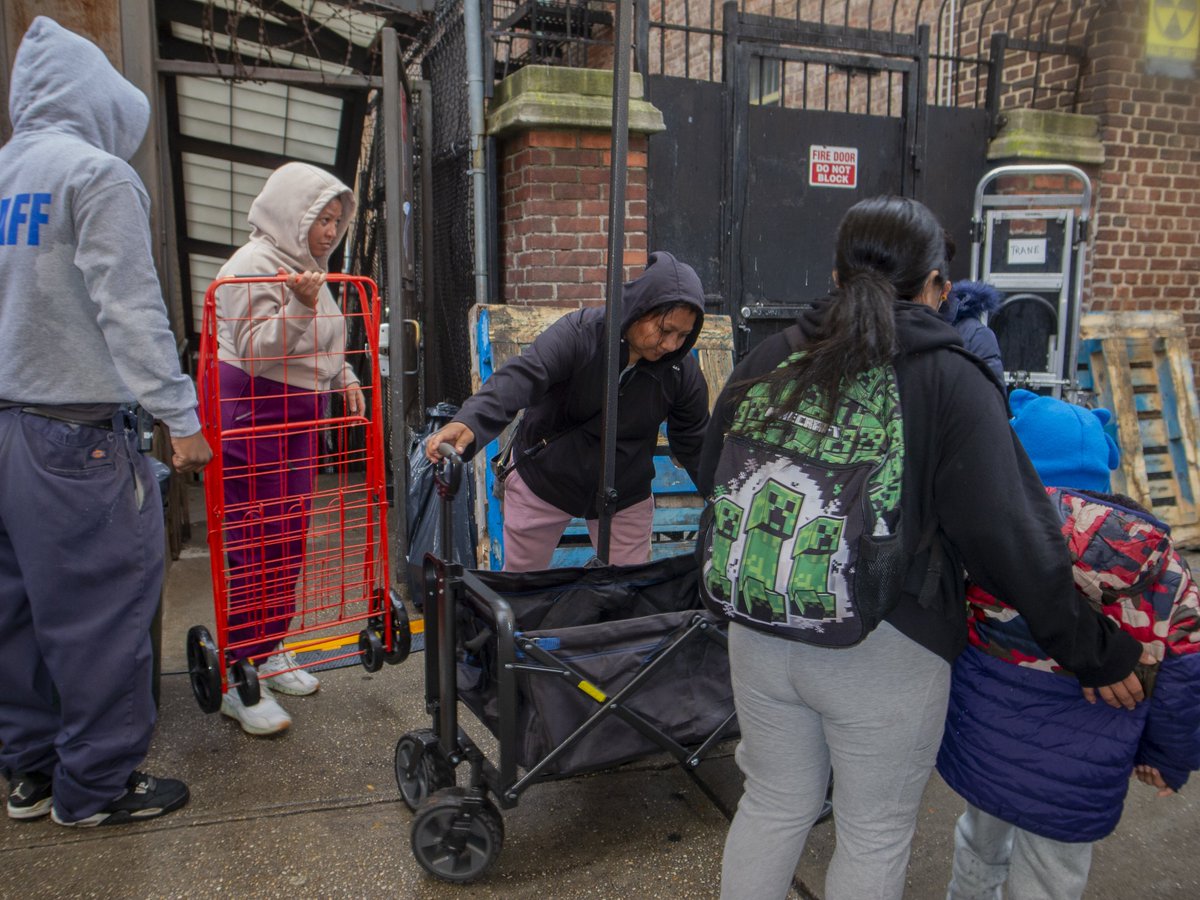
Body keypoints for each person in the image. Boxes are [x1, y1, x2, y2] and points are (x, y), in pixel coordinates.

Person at [696, 196, 1144, 900]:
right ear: (937, 285)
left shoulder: (772, 355)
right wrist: (1093, 649)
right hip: (886, 642)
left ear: (836, 276)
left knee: (774, 802)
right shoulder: (949, 378)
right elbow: (1011, 539)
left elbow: (709, 472)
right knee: (873, 832)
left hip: (758, 623)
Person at [0, 17, 212, 827]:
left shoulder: (6, 172)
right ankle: (94, 789)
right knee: (102, 613)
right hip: (75, 433)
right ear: (99, 101)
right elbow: (130, 310)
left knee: (14, 613)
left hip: (5, 426)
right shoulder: (96, 176)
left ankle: (32, 772)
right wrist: (180, 417)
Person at [938, 390, 1200, 900]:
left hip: (988, 735)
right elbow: (1187, 668)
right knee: (1051, 878)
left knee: (978, 845)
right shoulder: (1159, 562)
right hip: (1084, 758)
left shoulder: (981, 535)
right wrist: (1166, 756)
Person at [425, 250, 710, 571]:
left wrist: (727, 497)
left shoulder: (680, 372)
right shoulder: (581, 334)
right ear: (640, 309)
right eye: (664, 330)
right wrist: (470, 423)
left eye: (683, 335)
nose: (671, 345)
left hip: (625, 492)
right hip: (545, 478)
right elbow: (524, 375)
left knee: (628, 595)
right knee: (523, 589)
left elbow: (697, 443)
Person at [212, 162, 365, 736]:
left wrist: (343, 377)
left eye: (334, 221)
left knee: (288, 536)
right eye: (320, 218)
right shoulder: (251, 266)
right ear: (291, 213)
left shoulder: (308, 268)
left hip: (299, 417)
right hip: (257, 414)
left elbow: (323, 340)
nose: (329, 231)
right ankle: (237, 672)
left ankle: (269, 646)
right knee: (256, 540)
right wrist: (301, 306)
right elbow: (256, 348)